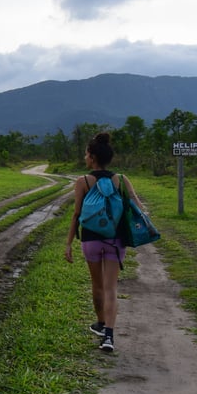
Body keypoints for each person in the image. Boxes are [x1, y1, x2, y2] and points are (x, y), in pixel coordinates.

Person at [65, 132, 145, 352]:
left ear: (91, 157)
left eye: (85, 154)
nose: (84, 157)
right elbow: (137, 207)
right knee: (111, 288)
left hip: (91, 240)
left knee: (97, 285)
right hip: (115, 241)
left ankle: (100, 323)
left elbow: (76, 214)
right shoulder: (121, 178)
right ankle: (109, 336)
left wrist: (69, 243)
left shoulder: (83, 181)